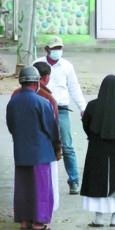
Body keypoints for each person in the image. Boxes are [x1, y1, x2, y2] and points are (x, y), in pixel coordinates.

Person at [6, 66, 61, 230]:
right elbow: (52, 128)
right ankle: (38, 223)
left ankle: (24, 221)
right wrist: (57, 147)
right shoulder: (42, 102)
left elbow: (11, 126)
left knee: (23, 188)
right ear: (37, 81)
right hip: (41, 153)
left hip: (21, 151)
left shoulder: (13, 101)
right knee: (41, 189)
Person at [34, 35, 87, 194]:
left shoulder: (67, 66)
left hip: (62, 109)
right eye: (54, 48)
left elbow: (74, 87)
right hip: (42, 108)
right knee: (42, 145)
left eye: (59, 48)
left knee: (67, 146)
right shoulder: (37, 64)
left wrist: (82, 108)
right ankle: (43, 181)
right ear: (47, 49)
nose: (57, 51)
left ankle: (74, 180)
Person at [80, 75, 115, 227]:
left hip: (97, 148)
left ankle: (98, 218)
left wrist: (94, 136)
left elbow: (86, 124)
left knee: (97, 181)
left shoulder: (92, 106)